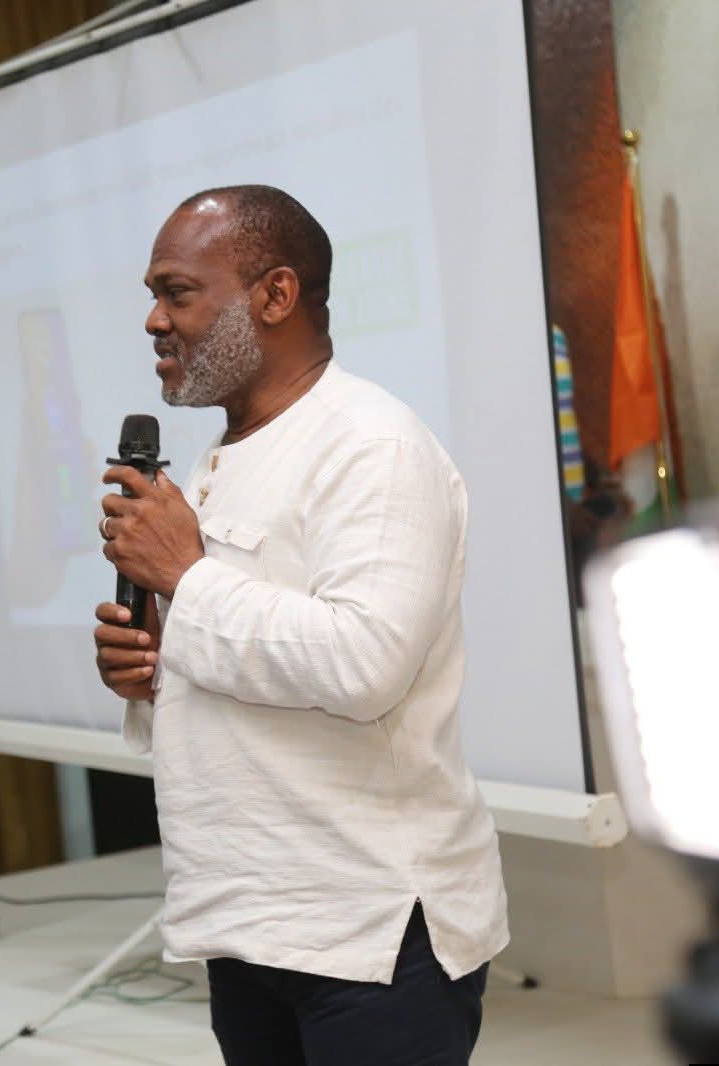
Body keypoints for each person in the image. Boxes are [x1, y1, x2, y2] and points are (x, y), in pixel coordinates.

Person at [93, 186, 507, 1065]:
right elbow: (253, 660)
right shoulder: (222, 458)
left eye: (176, 293)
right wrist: (156, 665)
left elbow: (364, 667)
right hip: (251, 918)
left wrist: (186, 579)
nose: (154, 321)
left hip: (371, 929)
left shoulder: (372, 445)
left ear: (275, 295)